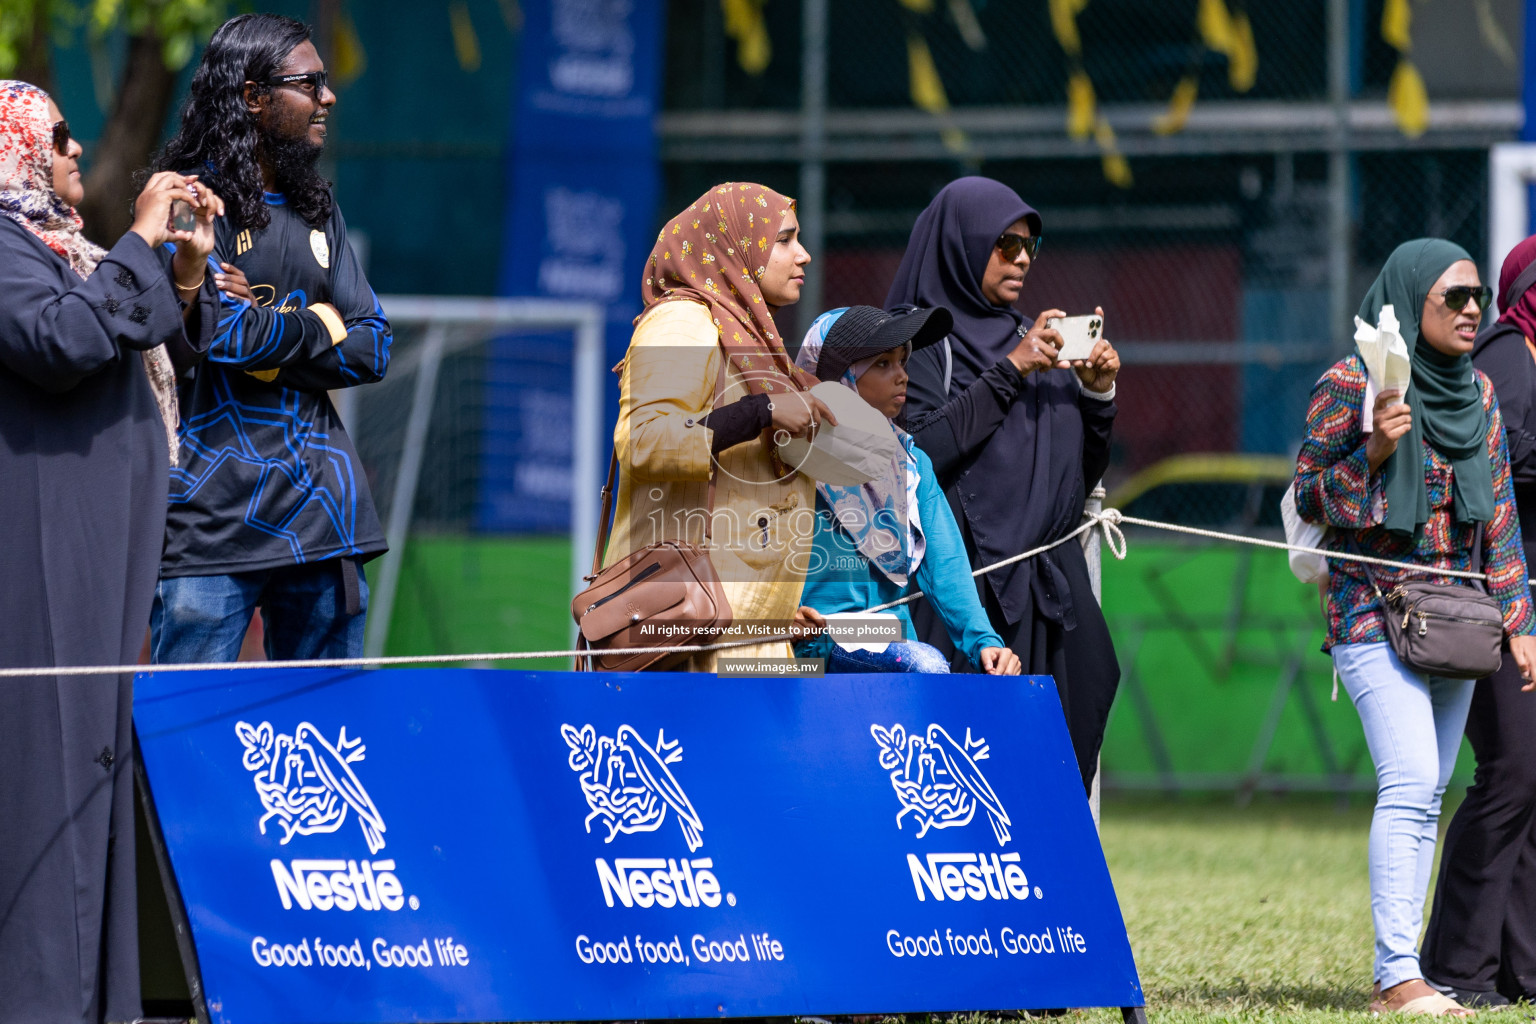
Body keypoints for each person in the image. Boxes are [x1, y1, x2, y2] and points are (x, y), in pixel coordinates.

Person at [0, 80, 223, 1024]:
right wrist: (137, 242)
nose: (76, 148)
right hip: (45, 572)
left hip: (104, 570)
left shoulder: (57, 249)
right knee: (48, 791)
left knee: (90, 783)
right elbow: (61, 339)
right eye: (55, 135)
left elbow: (123, 331)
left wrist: (174, 268)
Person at [1294, 238, 1536, 1017]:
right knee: (1409, 784)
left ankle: (1415, 968)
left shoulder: (1480, 396)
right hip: (1370, 611)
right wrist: (1375, 448)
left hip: (1459, 624)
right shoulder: (1350, 382)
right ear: (1408, 301)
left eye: (1478, 300)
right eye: (1453, 299)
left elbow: (1498, 518)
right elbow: (1309, 499)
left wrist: (1520, 624)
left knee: (1429, 790)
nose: (1472, 312)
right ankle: (1398, 976)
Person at [146, 13, 393, 663]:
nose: (328, 97)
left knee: (327, 747)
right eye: (310, 83)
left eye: (326, 82)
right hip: (208, 525)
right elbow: (215, 335)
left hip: (326, 518)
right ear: (252, 97)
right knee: (193, 744)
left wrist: (268, 331)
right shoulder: (190, 203)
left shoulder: (319, 205)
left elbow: (374, 346)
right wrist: (320, 322)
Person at [886, 176, 1121, 791]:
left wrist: (1097, 396)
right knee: (955, 778)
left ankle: (1042, 881)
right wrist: (1010, 371)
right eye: (1005, 244)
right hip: (961, 586)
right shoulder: (914, 343)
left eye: (1030, 246)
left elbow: (1072, 481)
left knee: (1062, 756)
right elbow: (920, 452)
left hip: (1048, 588)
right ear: (961, 245)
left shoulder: (1031, 338)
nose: (1021, 259)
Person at [603, 182, 835, 670]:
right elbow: (643, 441)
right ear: (736, 245)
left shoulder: (748, 336)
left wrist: (774, 613)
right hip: (679, 641)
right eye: (786, 239)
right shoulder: (682, 323)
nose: (805, 255)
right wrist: (764, 412)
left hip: (739, 641)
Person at [1419, 234, 1536, 1007]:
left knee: (1529, 780)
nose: (1468, 313)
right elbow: (1491, 470)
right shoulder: (1506, 359)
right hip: (1488, 601)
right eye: (1451, 299)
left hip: (1520, 597)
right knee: (1511, 773)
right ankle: (1454, 965)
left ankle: (1514, 968)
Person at [788, 305, 1022, 676]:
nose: (902, 376)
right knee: (924, 667)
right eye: (883, 363)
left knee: (925, 669)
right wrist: (778, 618)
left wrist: (985, 642)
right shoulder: (787, 455)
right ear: (838, 378)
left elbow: (947, 568)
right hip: (795, 650)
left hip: (887, 641)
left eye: (903, 360)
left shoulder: (911, 465)